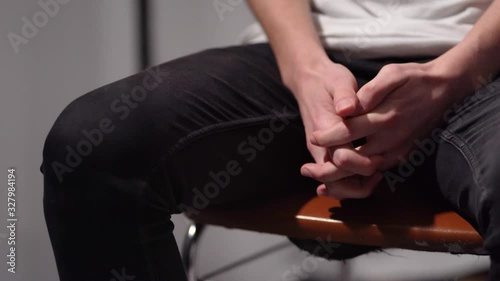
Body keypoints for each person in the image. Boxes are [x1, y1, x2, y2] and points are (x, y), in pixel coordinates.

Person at [40, 0, 500, 280]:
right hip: (309, 61)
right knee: (94, 144)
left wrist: (455, 75)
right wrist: (306, 72)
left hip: (482, 69)